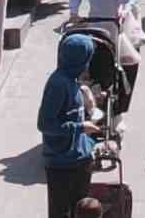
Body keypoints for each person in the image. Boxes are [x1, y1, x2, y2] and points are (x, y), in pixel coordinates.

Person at [39, 34, 99, 218]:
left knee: (83, 210)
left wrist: (92, 104)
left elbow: (84, 116)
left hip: (80, 159)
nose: (88, 65)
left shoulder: (74, 82)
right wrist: (80, 127)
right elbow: (45, 124)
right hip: (62, 164)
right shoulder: (57, 84)